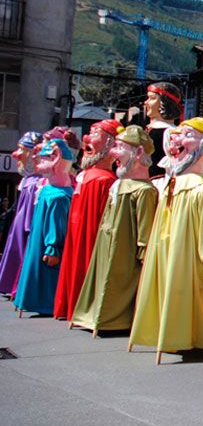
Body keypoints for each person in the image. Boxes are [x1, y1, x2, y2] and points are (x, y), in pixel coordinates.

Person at [128, 118, 203, 363]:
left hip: (181, 255)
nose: (177, 139)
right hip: (174, 252)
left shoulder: (198, 191)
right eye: (178, 133)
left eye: (188, 134)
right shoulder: (180, 186)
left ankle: (181, 334)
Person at [71, 126, 160, 336]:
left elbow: (145, 231)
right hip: (107, 247)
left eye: (120, 147)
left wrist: (143, 254)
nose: (113, 153)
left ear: (138, 153)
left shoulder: (144, 191)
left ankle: (115, 319)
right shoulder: (118, 186)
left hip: (125, 255)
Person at [56, 119, 121, 322]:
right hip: (78, 230)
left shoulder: (104, 180)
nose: (87, 138)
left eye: (95, 134)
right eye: (89, 133)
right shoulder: (93, 177)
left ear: (111, 145)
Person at [14, 139, 75, 317]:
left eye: (45, 158)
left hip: (46, 244)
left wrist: (52, 247)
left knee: (47, 274)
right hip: (38, 239)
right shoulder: (49, 191)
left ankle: (46, 303)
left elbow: (56, 224)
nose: (39, 161)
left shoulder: (58, 196)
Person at [0, 132, 44, 297]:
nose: (16, 154)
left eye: (22, 149)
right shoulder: (29, 181)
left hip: (25, 226)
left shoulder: (35, 184)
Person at [143, 82, 183, 179]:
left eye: (152, 98)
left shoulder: (170, 132)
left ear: (165, 102)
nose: (146, 102)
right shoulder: (149, 129)